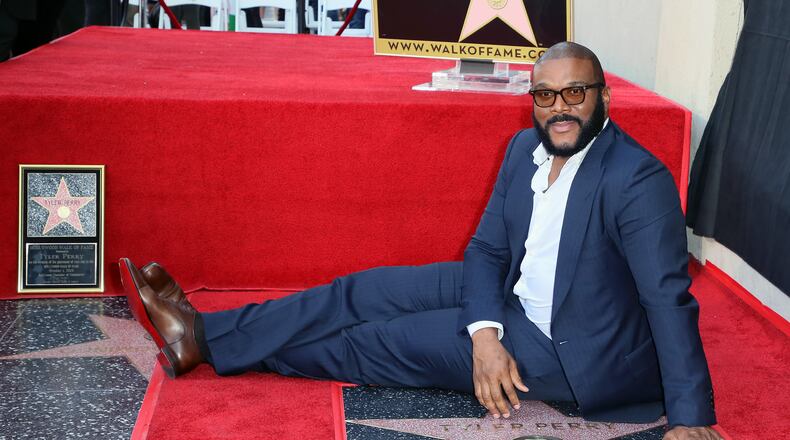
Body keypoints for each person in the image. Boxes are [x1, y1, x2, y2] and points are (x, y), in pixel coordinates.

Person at [121, 42, 722, 439]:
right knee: (361, 291)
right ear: (533, 100)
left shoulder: (635, 179)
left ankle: (224, 348)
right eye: (545, 94)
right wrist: (485, 332)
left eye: (575, 93)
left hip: (564, 346)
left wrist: (691, 418)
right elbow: (488, 251)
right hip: (508, 294)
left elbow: (667, 298)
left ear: (604, 97)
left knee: (374, 342)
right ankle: (202, 335)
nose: (559, 108)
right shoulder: (524, 148)